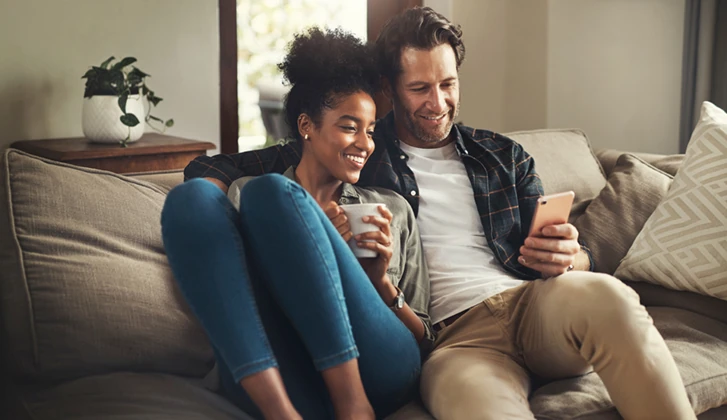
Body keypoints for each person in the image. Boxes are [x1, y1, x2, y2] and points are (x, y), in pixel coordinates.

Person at [184, 7, 697, 420]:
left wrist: (574, 256)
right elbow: (213, 167)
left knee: (609, 295)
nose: (438, 102)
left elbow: (572, 251)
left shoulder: (502, 155)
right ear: (389, 90)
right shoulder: (355, 147)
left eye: (447, 84)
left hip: (534, 303)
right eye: (420, 88)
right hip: (452, 343)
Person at [162, 27, 433, 420]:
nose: (365, 143)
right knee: (191, 198)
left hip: (380, 365)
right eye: (348, 126)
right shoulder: (246, 195)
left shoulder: (391, 209)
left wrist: (378, 281)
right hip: (289, 370)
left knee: (273, 193)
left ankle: (353, 405)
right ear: (307, 126)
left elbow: (426, 341)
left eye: (370, 131)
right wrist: (307, 236)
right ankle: (280, 413)